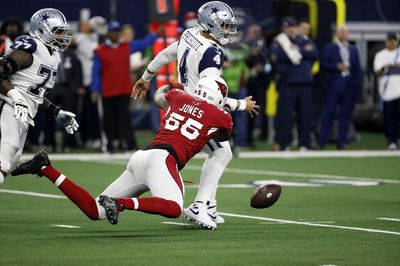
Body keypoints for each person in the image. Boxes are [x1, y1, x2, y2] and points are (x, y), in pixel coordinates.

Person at [11, 75, 232, 230]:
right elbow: (222, 137)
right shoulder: (221, 116)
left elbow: (166, 91)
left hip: (142, 157)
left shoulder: (178, 95)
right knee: (174, 208)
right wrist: (237, 105)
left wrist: (181, 90)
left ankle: (44, 167)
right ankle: (120, 204)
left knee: (95, 210)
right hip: (164, 161)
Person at [133, 1, 259, 229]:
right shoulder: (212, 53)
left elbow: (165, 54)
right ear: (209, 24)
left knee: (222, 152)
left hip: (181, 106)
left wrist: (146, 77)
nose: (228, 31)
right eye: (224, 26)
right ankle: (202, 204)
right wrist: (241, 104)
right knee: (222, 153)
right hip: (194, 110)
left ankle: (209, 204)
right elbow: (207, 96)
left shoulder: (191, 33)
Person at [0, 8, 78, 185]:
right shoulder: (31, 46)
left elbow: (35, 93)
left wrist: (55, 112)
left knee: (10, 161)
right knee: (5, 156)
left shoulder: (54, 56)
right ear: (42, 30)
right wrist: (15, 97)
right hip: (7, 105)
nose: (62, 36)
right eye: (58, 31)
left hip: (23, 113)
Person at [90, 21, 158, 153]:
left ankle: (130, 146)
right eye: (113, 31)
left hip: (123, 89)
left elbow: (144, 43)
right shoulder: (100, 51)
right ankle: (108, 146)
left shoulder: (126, 46)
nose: (115, 34)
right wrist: (94, 89)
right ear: (108, 34)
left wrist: (155, 34)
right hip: (107, 91)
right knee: (107, 120)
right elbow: (95, 72)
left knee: (125, 119)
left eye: (117, 31)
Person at [272, 17, 318, 151]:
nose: (290, 29)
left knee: (305, 114)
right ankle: (284, 143)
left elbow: (314, 53)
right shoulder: (280, 42)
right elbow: (280, 58)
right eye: (287, 27)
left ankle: (304, 143)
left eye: (292, 26)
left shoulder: (303, 40)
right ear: (283, 29)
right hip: (288, 83)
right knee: (286, 116)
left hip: (305, 83)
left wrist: (299, 50)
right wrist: (302, 54)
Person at [318, 25, 362, 149]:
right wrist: (336, 66)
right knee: (328, 114)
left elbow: (357, 69)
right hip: (334, 86)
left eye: (345, 32)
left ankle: (342, 142)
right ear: (337, 34)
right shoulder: (330, 48)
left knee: (345, 116)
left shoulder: (353, 49)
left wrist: (356, 85)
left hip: (349, 87)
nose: (344, 34)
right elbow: (323, 64)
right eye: (341, 32)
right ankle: (322, 142)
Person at [373, 32, 400, 150]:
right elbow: (377, 71)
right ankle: (391, 141)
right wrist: (387, 67)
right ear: (386, 42)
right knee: (389, 117)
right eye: (390, 40)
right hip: (387, 92)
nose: (392, 42)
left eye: (394, 40)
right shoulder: (380, 55)